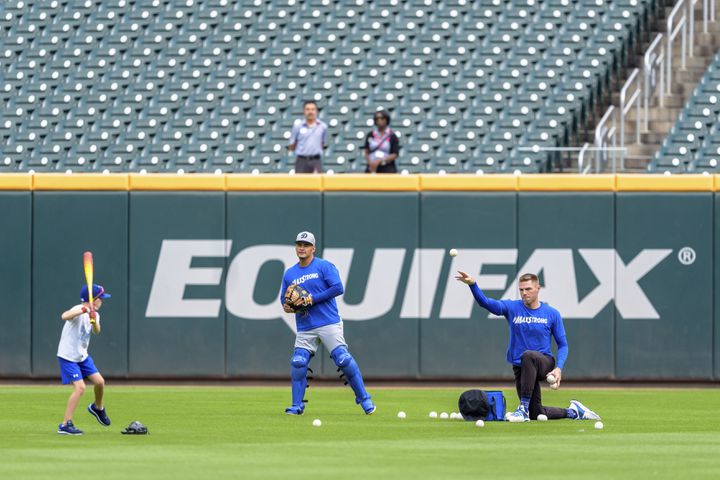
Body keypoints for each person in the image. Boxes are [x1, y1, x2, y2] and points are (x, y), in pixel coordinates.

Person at [455, 271, 601, 423]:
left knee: (528, 355)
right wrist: (473, 285)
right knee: (536, 413)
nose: (524, 293)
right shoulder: (512, 307)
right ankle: (573, 412)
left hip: (544, 362)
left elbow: (563, 345)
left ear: (538, 288)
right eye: (521, 290)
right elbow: (485, 303)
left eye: (528, 289)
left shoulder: (551, 313)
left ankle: (522, 408)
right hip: (522, 368)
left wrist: (559, 368)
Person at [280, 231, 375, 415]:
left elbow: (338, 287)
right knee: (298, 362)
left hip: (328, 322)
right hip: (305, 326)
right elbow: (284, 303)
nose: (302, 248)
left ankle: (364, 398)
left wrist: (311, 300)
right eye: (299, 244)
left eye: (306, 245)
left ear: (313, 248)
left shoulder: (323, 266)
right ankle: (297, 405)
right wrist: (290, 307)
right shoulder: (289, 273)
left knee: (343, 359)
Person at [56, 283, 112, 435]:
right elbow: (64, 316)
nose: (102, 301)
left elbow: (97, 331)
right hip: (68, 356)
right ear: (93, 300)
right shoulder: (77, 309)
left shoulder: (96, 313)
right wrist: (83, 310)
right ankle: (65, 424)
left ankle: (97, 408)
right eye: (101, 298)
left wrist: (93, 320)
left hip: (82, 356)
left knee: (100, 382)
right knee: (80, 388)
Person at [288, 101, 328, 173]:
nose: (310, 112)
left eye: (313, 109)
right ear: (304, 111)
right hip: (301, 160)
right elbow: (292, 144)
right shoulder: (298, 126)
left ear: (316, 111)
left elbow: (323, 143)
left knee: (317, 183)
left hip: (316, 160)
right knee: (300, 183)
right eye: (308, 109)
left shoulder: (323, 126)